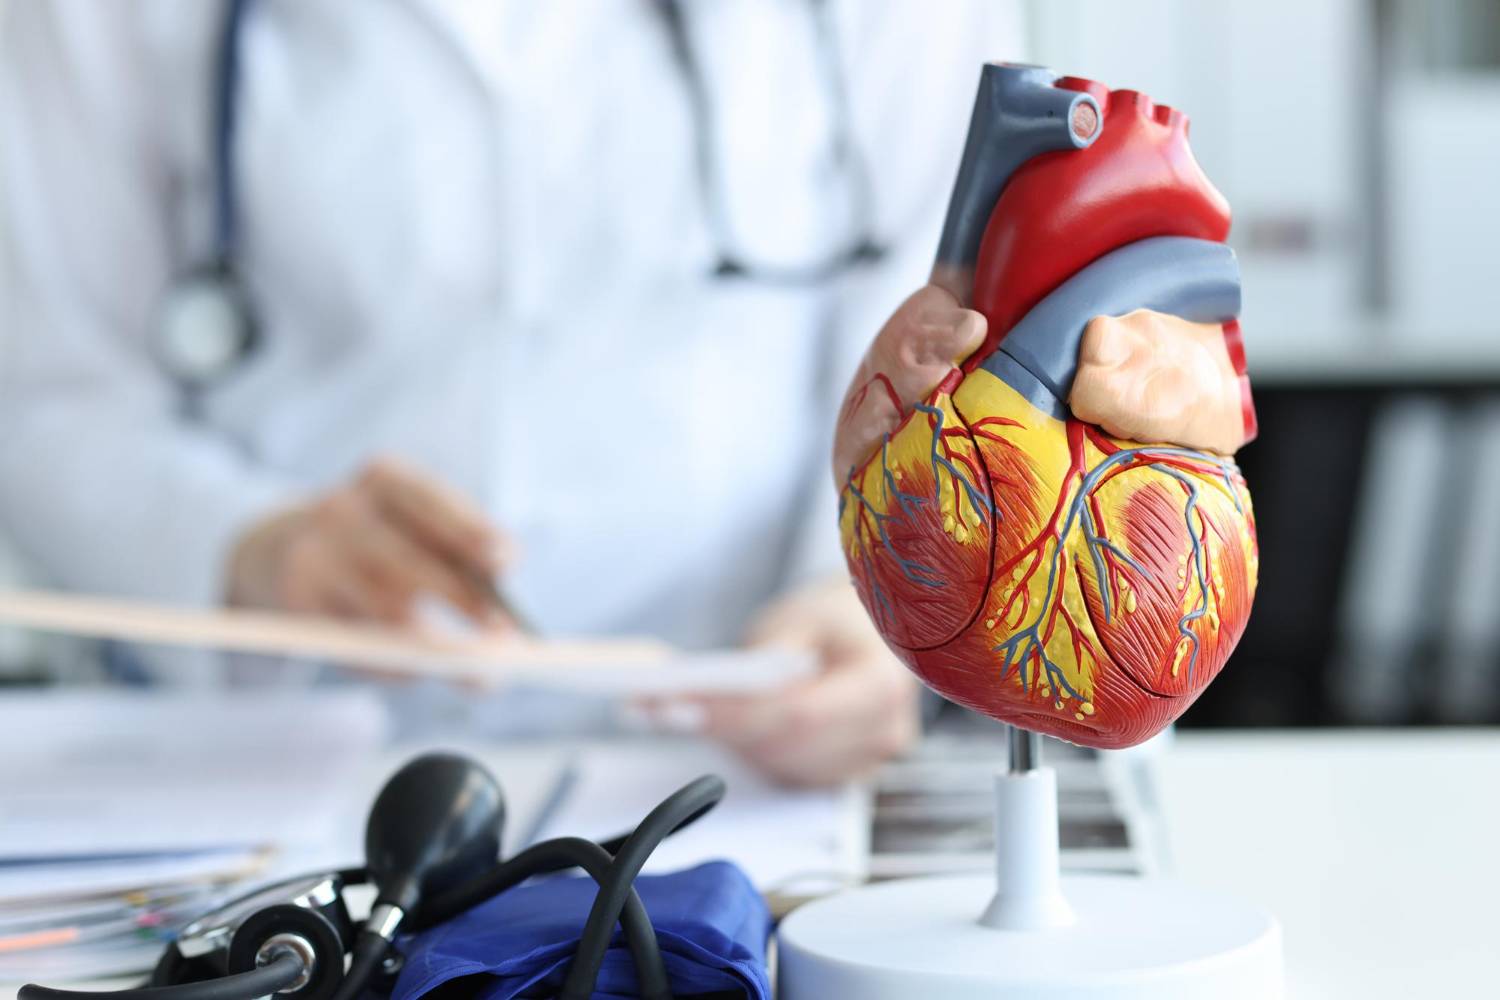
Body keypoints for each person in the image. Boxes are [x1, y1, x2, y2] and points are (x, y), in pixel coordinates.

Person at [0, 0, 1023, 786]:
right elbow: (42, 387)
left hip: (748, 756)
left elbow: (950, 327)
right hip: (272, 762)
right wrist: (248, 544)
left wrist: (864, 598)